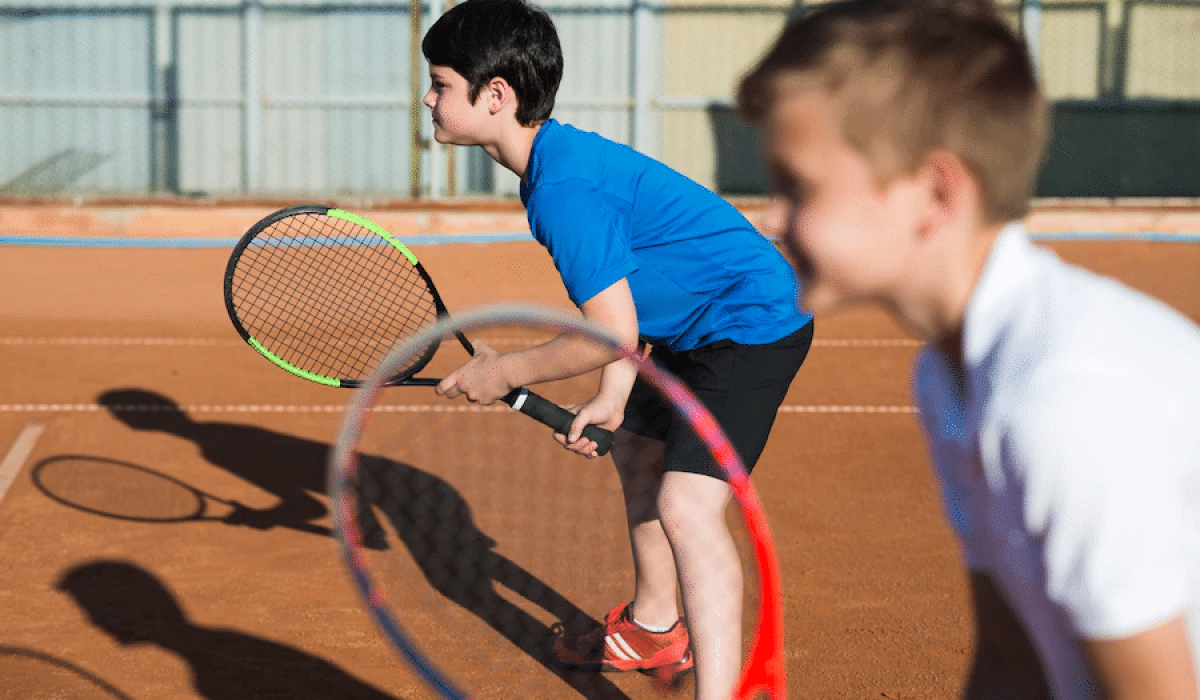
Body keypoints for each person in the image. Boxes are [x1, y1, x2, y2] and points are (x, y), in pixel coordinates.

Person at [738, 1, 1200, 698]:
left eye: (798, 187)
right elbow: (1011, 662)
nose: (771, 217)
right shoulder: (951, 372)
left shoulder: (1063, 398)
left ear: (934, 192)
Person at [420, 0, 814, 696]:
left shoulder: (562, 190)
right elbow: (632, 301)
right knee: (634, 446)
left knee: (689, 509)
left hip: (750, 324)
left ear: (496, 96)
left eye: (442, 83)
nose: (429, 96)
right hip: (694, 321)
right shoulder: (555, 161)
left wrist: (503, 370)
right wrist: (612, 394)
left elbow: (611, 333)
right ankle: (654, 632)